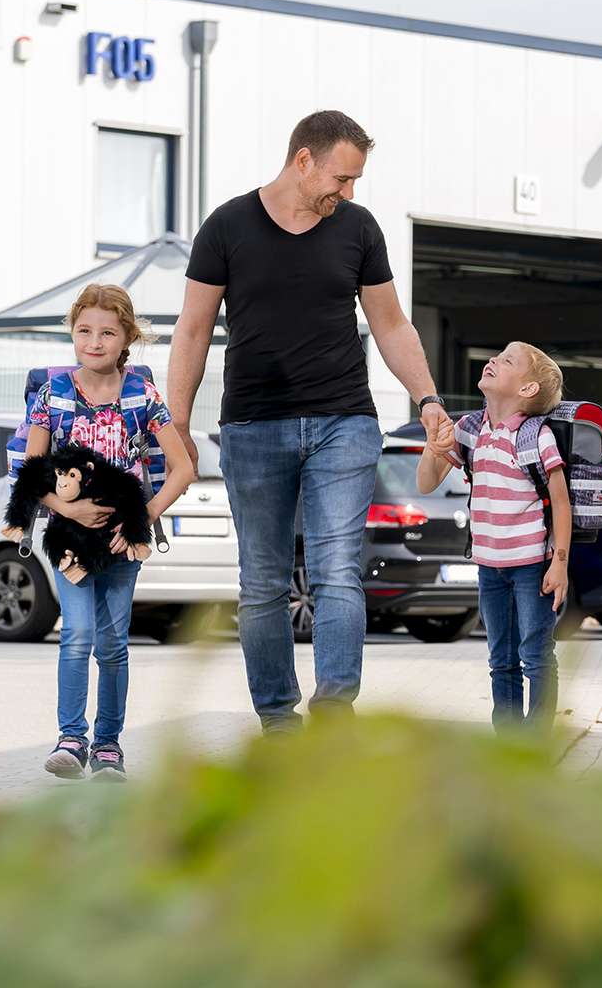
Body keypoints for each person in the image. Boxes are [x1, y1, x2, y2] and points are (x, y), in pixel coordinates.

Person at [170, 110, 449, 732]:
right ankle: (277, 720)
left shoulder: (356, 229)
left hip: (343, 421)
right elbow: (191, 331)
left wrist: (427, 400)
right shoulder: (227, 226)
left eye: (354, 182)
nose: (347, 193)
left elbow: (391, 324)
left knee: (335, 570)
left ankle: (334, 714)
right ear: (303, 160)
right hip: (253, 426)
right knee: (263, 581)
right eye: (342, 178)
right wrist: (178, 426)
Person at [5, 284, 194, 780]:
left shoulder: (143, 396)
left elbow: (181, 469)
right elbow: (32, 472)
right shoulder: (54, 395)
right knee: (78, 635)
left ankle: (108, 746)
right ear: (73, 333)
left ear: (127, 337)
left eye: (107, 332)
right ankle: (71, 739)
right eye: (84, 330)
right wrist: (71, 510)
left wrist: (141, 519)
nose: (94, 341)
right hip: (69, 540)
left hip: (121, 544)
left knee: (113, 643)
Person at [418, 342, 570, 734]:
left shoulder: (535, 437)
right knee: (500, 658)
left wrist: (560, 562)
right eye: (497, 356)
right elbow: (425, 483)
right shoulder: (469, 429)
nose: (492, 360)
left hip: (532, 566)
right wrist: (434, 446)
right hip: (489, 566)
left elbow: (561, 502)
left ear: (527, 390)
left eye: (507, 361)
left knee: (536, 654)